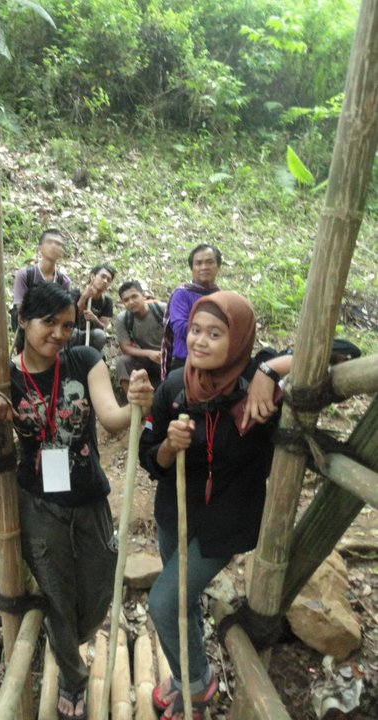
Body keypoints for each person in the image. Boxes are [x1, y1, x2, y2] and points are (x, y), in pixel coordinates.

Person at [0, 283, 153, 720]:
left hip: (89, 496)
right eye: (48, 322)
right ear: (23, 321)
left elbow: (112, 418)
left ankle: (73, 638)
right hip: (38, 502)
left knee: (98, 588)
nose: (59, 333)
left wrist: (139, 405)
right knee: (56, 594)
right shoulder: (4, 374)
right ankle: (72, 677)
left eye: (68, 325)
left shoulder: (84, 359)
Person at [139, 291, 291, 720]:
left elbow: (339, 353)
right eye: (196, 330)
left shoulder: (256, 387)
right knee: (182, 602)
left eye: (215, 333)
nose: (200, 341)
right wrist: (168, 447)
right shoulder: (175, 385)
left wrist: (270, 370)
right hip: (174, 514)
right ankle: (191, 670)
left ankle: (195, 684)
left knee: (164, 602)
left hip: (226, 524)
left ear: (238, 339)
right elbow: (149, 456)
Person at [161, 244, 222, 379]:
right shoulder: (182, 294)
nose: (204, 267)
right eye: (198, 263)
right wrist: (215, 334)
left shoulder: (222, 297)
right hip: (185, 362)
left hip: (215, 362)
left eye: (209, 262)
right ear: (192, 269)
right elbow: (180, 328)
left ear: (218, 267)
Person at [11, 228, 71, 332]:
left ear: (62, 252)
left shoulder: (63, 281)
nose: (53, 246)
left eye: (58, 244)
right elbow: (20, 307)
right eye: (49, 242)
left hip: (53, 328)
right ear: (39, 248)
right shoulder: (25, 275)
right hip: (28, 327)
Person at [115, 280, 166, 393]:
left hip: (167, 357)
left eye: (134, 297)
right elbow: (125, 348)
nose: (131, 302)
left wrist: (166, 354)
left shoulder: (161, 310)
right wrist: (149, 353)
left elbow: (179, 335)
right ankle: (131, 399)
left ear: (143, 295)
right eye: (126, 300)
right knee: (122, 362)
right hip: (145, 358)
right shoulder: (123, 319)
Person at [70, 263, 116, 352]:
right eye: (103, 277)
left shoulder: (107, 302)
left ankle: (90, 356)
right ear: (92, 277)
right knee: (72, 333)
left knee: (100, 335)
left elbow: (103, 326)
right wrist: (84, 297)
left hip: (90, 335)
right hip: (74, 332)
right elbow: (70, 317)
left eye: (108, 280)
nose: (105, 281)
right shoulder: (76, 293)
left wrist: (94, 319)